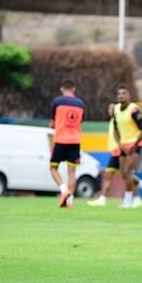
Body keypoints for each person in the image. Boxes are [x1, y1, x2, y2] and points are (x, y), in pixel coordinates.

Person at [88, 103, 142, 207]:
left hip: (120, 151)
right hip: (116, 150)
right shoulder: (114, 121)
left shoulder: (122, 119)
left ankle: (104, 199)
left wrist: (122, 147)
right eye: (109, 108)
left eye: (112, 108)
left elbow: (126, 134)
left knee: (119, 174)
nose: (110, 110)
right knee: (126, 174)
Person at [113, 85, 142, 209]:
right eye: (119, 93)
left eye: (123, 93)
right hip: (123, 145)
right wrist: (119, 142)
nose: (121, 95)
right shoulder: (116, 110)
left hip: (135, 144)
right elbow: (115, 129)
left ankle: (128, 201)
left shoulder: (134, 110)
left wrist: (134, 145)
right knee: (124, 173)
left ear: (129, 95)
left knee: (128, 171)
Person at [49, 79, 85, 208]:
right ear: (74, 89)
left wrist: (54, 125)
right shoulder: (81, 104)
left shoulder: (57, 101)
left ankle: (64, 190)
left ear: (62, 89)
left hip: (61, 140)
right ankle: (70, 201)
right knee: (72, 172)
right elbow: (79, 122)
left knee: (53, 168)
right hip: (75, 141)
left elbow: (53, 123)